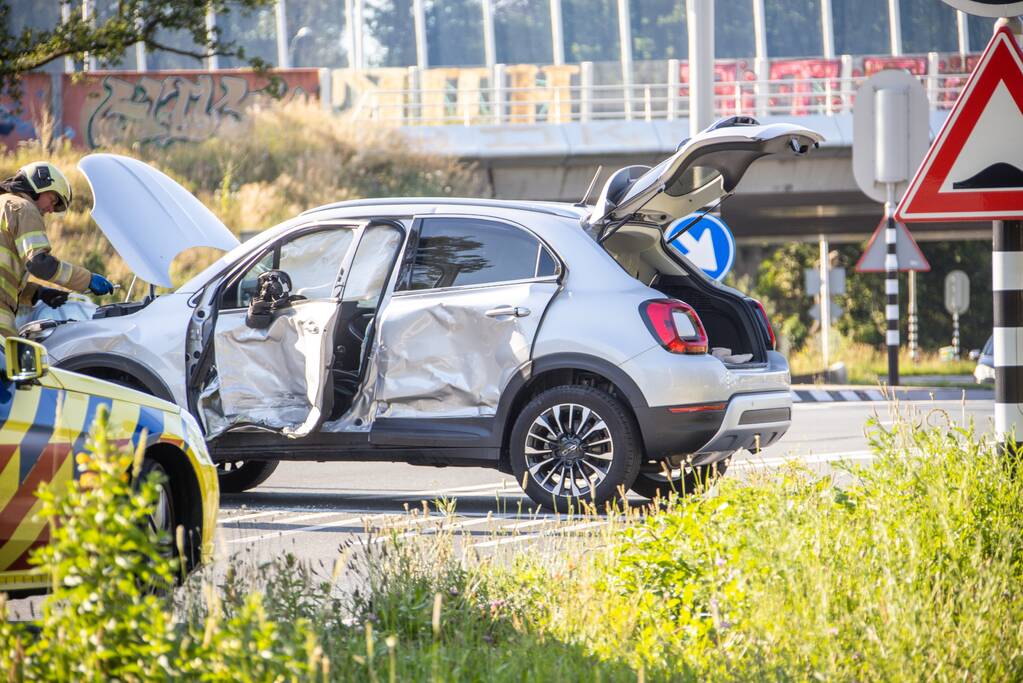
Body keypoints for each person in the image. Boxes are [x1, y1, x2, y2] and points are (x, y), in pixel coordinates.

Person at [0, 161, 113, 337]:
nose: (50, 209)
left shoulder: (3, 205)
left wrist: (38, 293)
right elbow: (39, 264)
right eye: (52, 200)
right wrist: (87, 280)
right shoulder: (23, 208)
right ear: (39, 183)